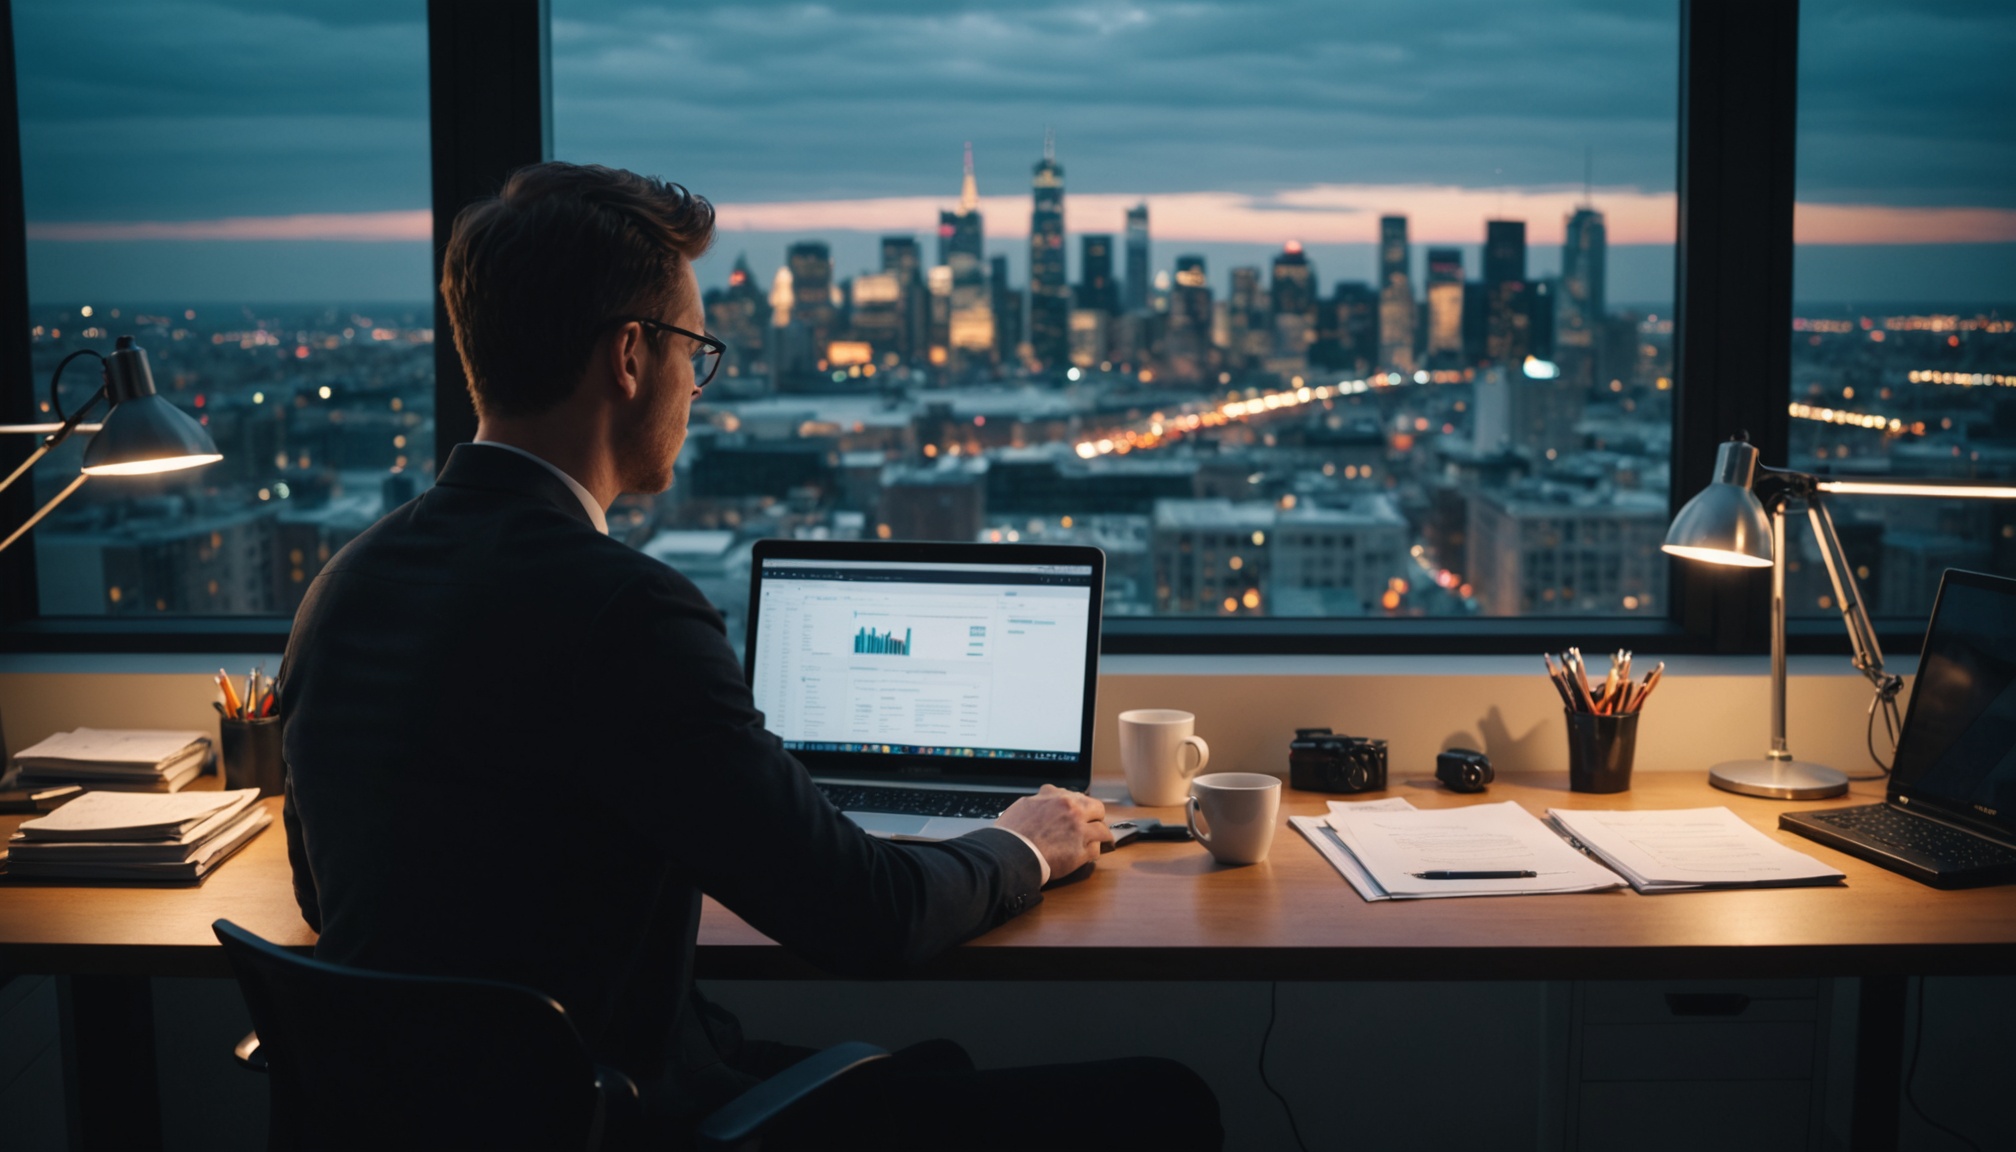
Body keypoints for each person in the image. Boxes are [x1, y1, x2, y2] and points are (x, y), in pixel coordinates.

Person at [277, 161, 1223, 1150]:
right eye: (697, 349)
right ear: (631, 357)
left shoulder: (342, 586)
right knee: (1164, 1101)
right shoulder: (624, 611)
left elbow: (325, 897)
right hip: (617, 1118)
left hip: (465, 1112)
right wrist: (1027, 839)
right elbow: (870, 919)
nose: (700, 385)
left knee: (925, 1072)